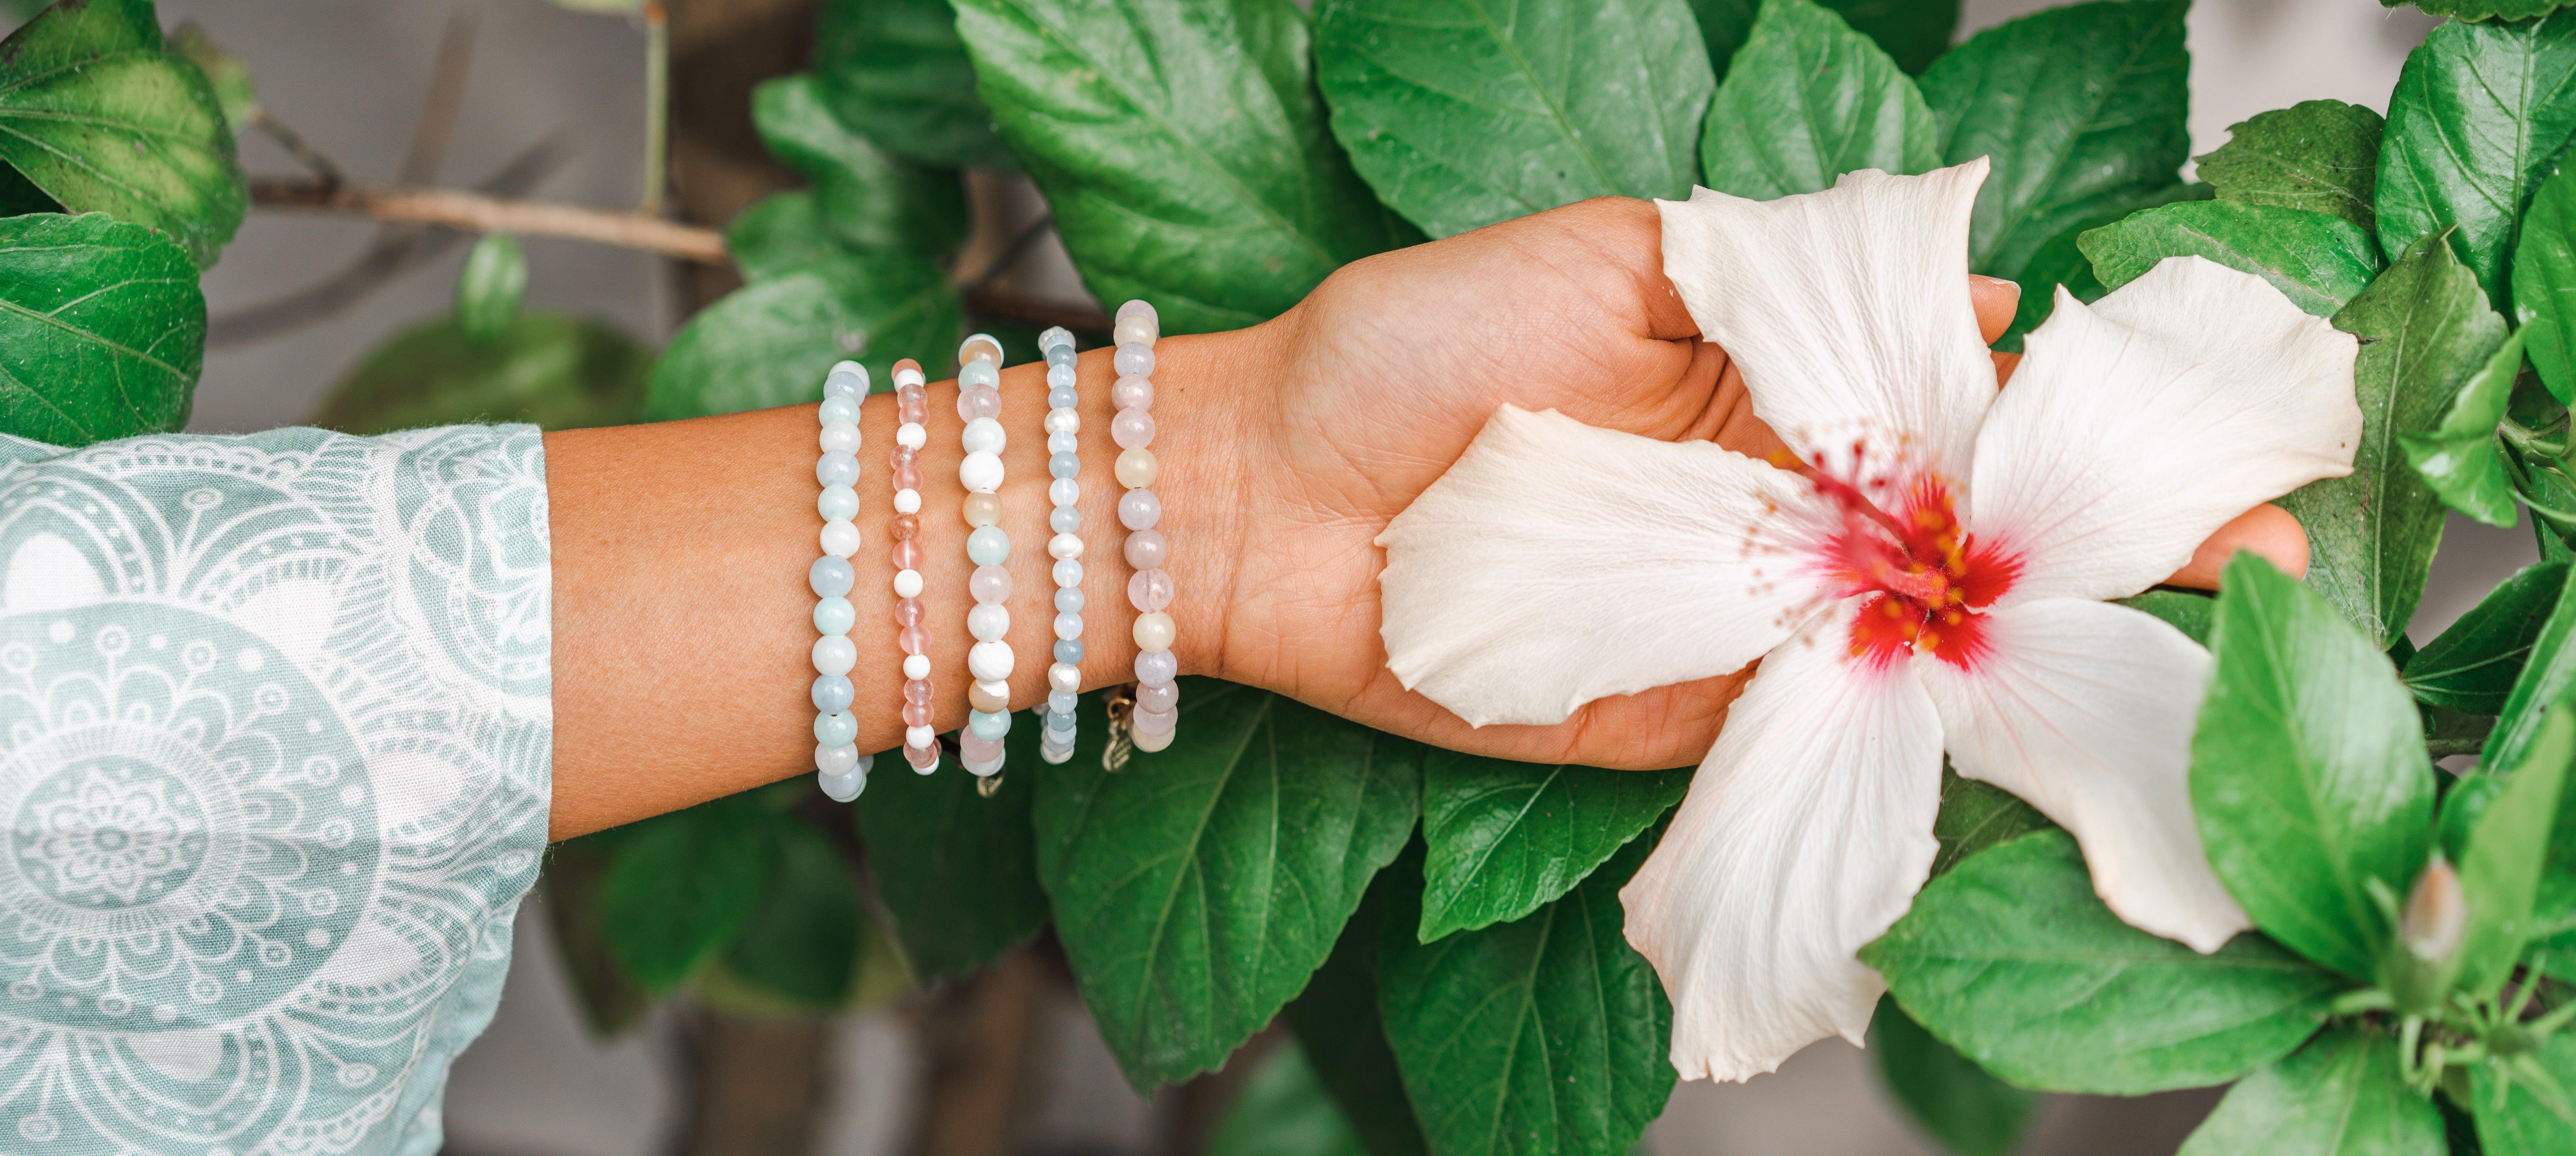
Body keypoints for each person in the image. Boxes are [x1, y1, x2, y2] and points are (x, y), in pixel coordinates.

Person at [0, 196, 2301, 1152]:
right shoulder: (1881, 558)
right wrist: (1184, 491)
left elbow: (92, 733)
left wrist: (1198, 493)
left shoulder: (1929, 572)